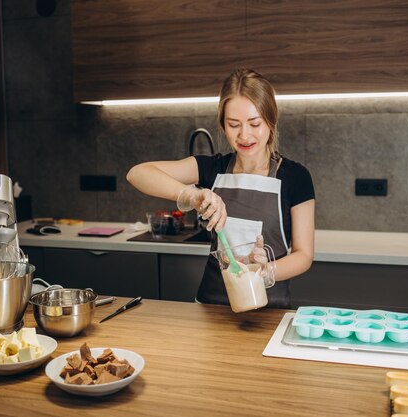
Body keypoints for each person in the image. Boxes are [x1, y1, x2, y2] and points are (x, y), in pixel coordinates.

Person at [126, 69, 315, 308]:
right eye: (233, 125)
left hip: (270, 311)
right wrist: (191, 194)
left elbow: (304, 254)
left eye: (254, 123)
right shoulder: (211, 169)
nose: (244, 135)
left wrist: (267, 271)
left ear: (271, 119)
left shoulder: (296, 177)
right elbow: (137, 174)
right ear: (223, 125)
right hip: (211, 307)